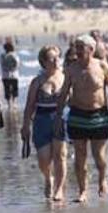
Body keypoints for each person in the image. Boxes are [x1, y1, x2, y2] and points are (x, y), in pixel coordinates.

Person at [54, 35, 108, 203]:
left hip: (99, 115)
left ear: (91, 50)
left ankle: (102, 179)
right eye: (76, 47)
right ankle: (83, 190)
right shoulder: (71, 69)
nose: (77, 51)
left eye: (81, 48)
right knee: (80, 155)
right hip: (78, 115)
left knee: (99, 155)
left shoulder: (102, 66)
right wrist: (58, 116)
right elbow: (63, 93)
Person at [21, 45, 68, 201]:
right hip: (42, 119)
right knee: (44, 159)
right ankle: (48, 178)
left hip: (61, 117)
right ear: (43, 62)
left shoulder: (65, 77)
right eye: (51, 58)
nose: (56, 61)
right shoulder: (37, 82)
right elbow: (29, 106)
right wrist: (25, 126)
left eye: (57, 57)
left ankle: (59, 189)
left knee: (60, 155)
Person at [0, 40, 21, 109]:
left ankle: (10, 104)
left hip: (6, 75)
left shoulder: (2, 55)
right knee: (13, 89)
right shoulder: (14, 55)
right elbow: (17, 64)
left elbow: (2, 64)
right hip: (13, 75)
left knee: (8, 89)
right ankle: (13, 103)